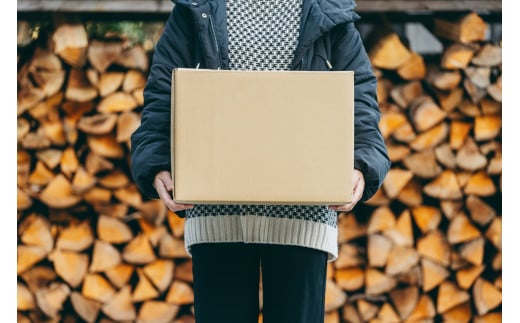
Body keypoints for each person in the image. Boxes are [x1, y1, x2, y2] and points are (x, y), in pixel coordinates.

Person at [130, 0, 390, 322]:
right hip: (216, 217)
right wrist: (156, 164)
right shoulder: (195, 8)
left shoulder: (328, 10)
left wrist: (361, 165)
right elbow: (162, 94)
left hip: (304, 220)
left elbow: (360, 96)